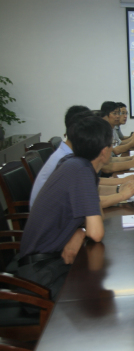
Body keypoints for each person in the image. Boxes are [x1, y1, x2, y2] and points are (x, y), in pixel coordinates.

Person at [13, 114, 113, 299]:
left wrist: (79, 231)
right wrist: (83, 231)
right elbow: (96, 232)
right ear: (104, 151)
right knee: (103, 289)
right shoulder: (81, 171)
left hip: (47, 262)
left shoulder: (74, 163)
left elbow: (97, 217)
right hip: (40, 276)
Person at [29, 106, 134, 207]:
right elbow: (90, 202)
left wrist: (119, 188)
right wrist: (121, 194)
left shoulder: (71, 153)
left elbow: (91, 185)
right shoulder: (67, 160)